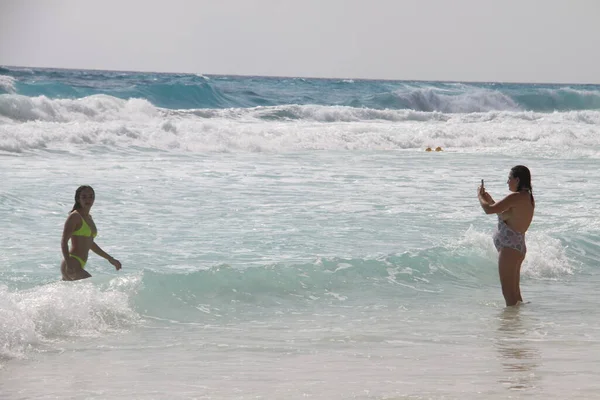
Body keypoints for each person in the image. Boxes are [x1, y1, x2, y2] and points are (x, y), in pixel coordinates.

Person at [478, 166, 535, 306]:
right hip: (517, 248)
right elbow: (505, 214)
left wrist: (479, 196)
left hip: (510, 249)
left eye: (509, 178)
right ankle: (518, 324)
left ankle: (511, 326)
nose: (507, 182)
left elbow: (488, 210)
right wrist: (490, 200)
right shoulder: (526, 197)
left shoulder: (516, 197)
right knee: (515, 294)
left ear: (517, 179)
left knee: (509, 294)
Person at [60, 185, 122, 281]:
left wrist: (110, 259)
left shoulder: (89, 218)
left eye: (91, 196)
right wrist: (68, 263)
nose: (88, 199)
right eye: (84, 197)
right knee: (91, 286)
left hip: (79, 263)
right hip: (72, 262)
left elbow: (90, 244)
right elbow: (64, 242)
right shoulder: (75, 217)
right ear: (78, 199)